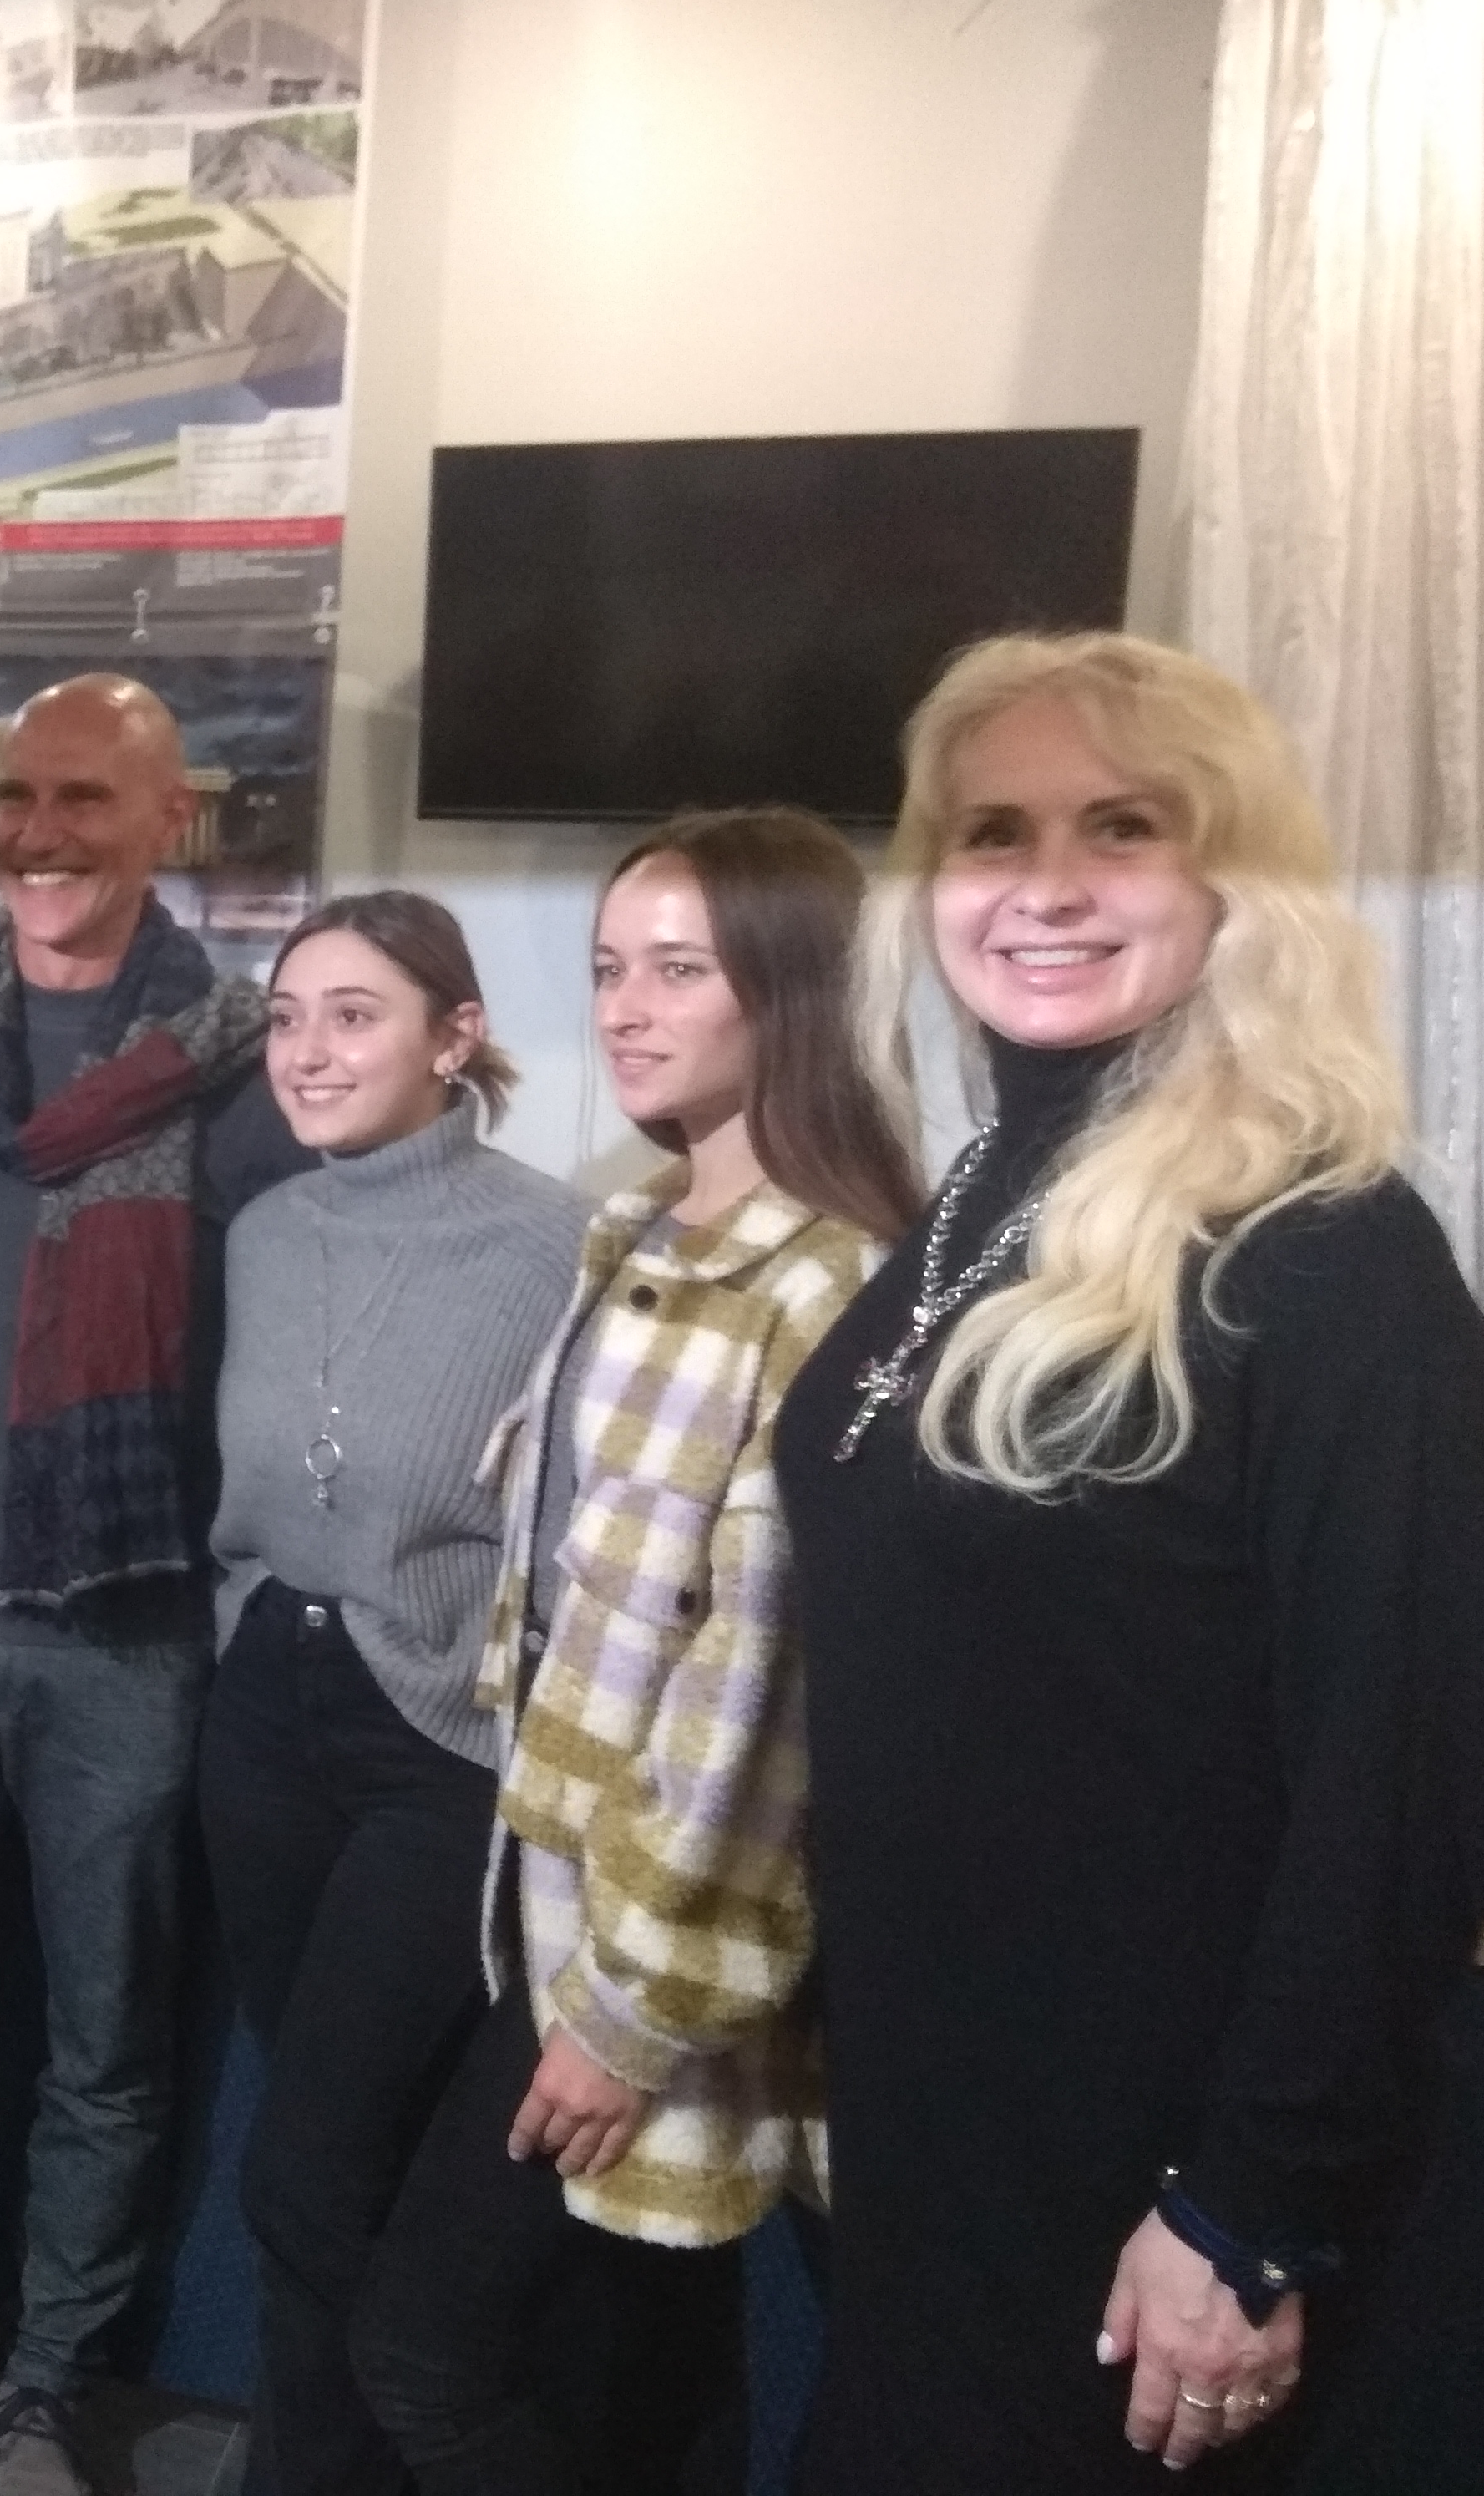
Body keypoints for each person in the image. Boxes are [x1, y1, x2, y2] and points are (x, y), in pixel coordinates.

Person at [774, 635, 1484, 2492]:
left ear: (1233, 878)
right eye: (992, 832)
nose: (1043, 884)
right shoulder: (978, 1194)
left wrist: (1250, 2207)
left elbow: (1401, 1795)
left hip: (1150, 2188)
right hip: (930, 2117)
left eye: (1121, 827)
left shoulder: (1329, 1259)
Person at [338, 810, 919, 2495]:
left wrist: (627, 2013)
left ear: (789, 992)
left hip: (646, 1947)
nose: (625, 1007)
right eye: (609, 968)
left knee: (425, 2349)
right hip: (546, 1896)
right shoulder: (641, 1233)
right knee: (636, 2372)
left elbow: (757, 1704)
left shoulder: (824, 1288)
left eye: (679, 970)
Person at [0, 673, 310, 2496]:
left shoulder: (245, 1064)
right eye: (17, 797)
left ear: (171, 821)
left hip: (127, 1630)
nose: (38, 833)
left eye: (86, 797)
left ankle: (44, 2385)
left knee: (105, 2041)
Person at [192, 891, 589, 2496]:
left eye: (353, 1015)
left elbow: (579, 1537)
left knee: (306, 2174)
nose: (307, 1051)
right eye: (287, 1019)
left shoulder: (558, 1244)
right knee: (327, 2162)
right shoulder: (265, 1233)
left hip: (438, 1733)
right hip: (262, 1716)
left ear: (456, 1036)